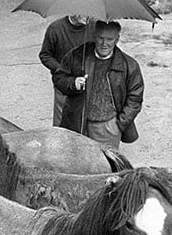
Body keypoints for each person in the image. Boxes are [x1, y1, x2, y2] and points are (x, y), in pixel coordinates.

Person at [53, 20, 144, 148]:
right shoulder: (78, 55)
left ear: (117, 39)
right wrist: (73, 83)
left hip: (108, 128)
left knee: (107, 166)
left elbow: (135, 97)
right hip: (77, 124)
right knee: (76, 163)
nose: (104, 44)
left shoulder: (129, 65)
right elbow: (59, 78)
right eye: (100, 38)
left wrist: (120, 123)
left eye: (109, 39)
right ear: (94, 36)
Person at [39, 15, 94, 126]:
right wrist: (61, 70)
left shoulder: (93, 26)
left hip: (87, 82)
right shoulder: (55, 28)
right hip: (64, 83)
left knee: (86, 121)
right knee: (62, 124)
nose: (86, 15)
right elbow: (45, 55)